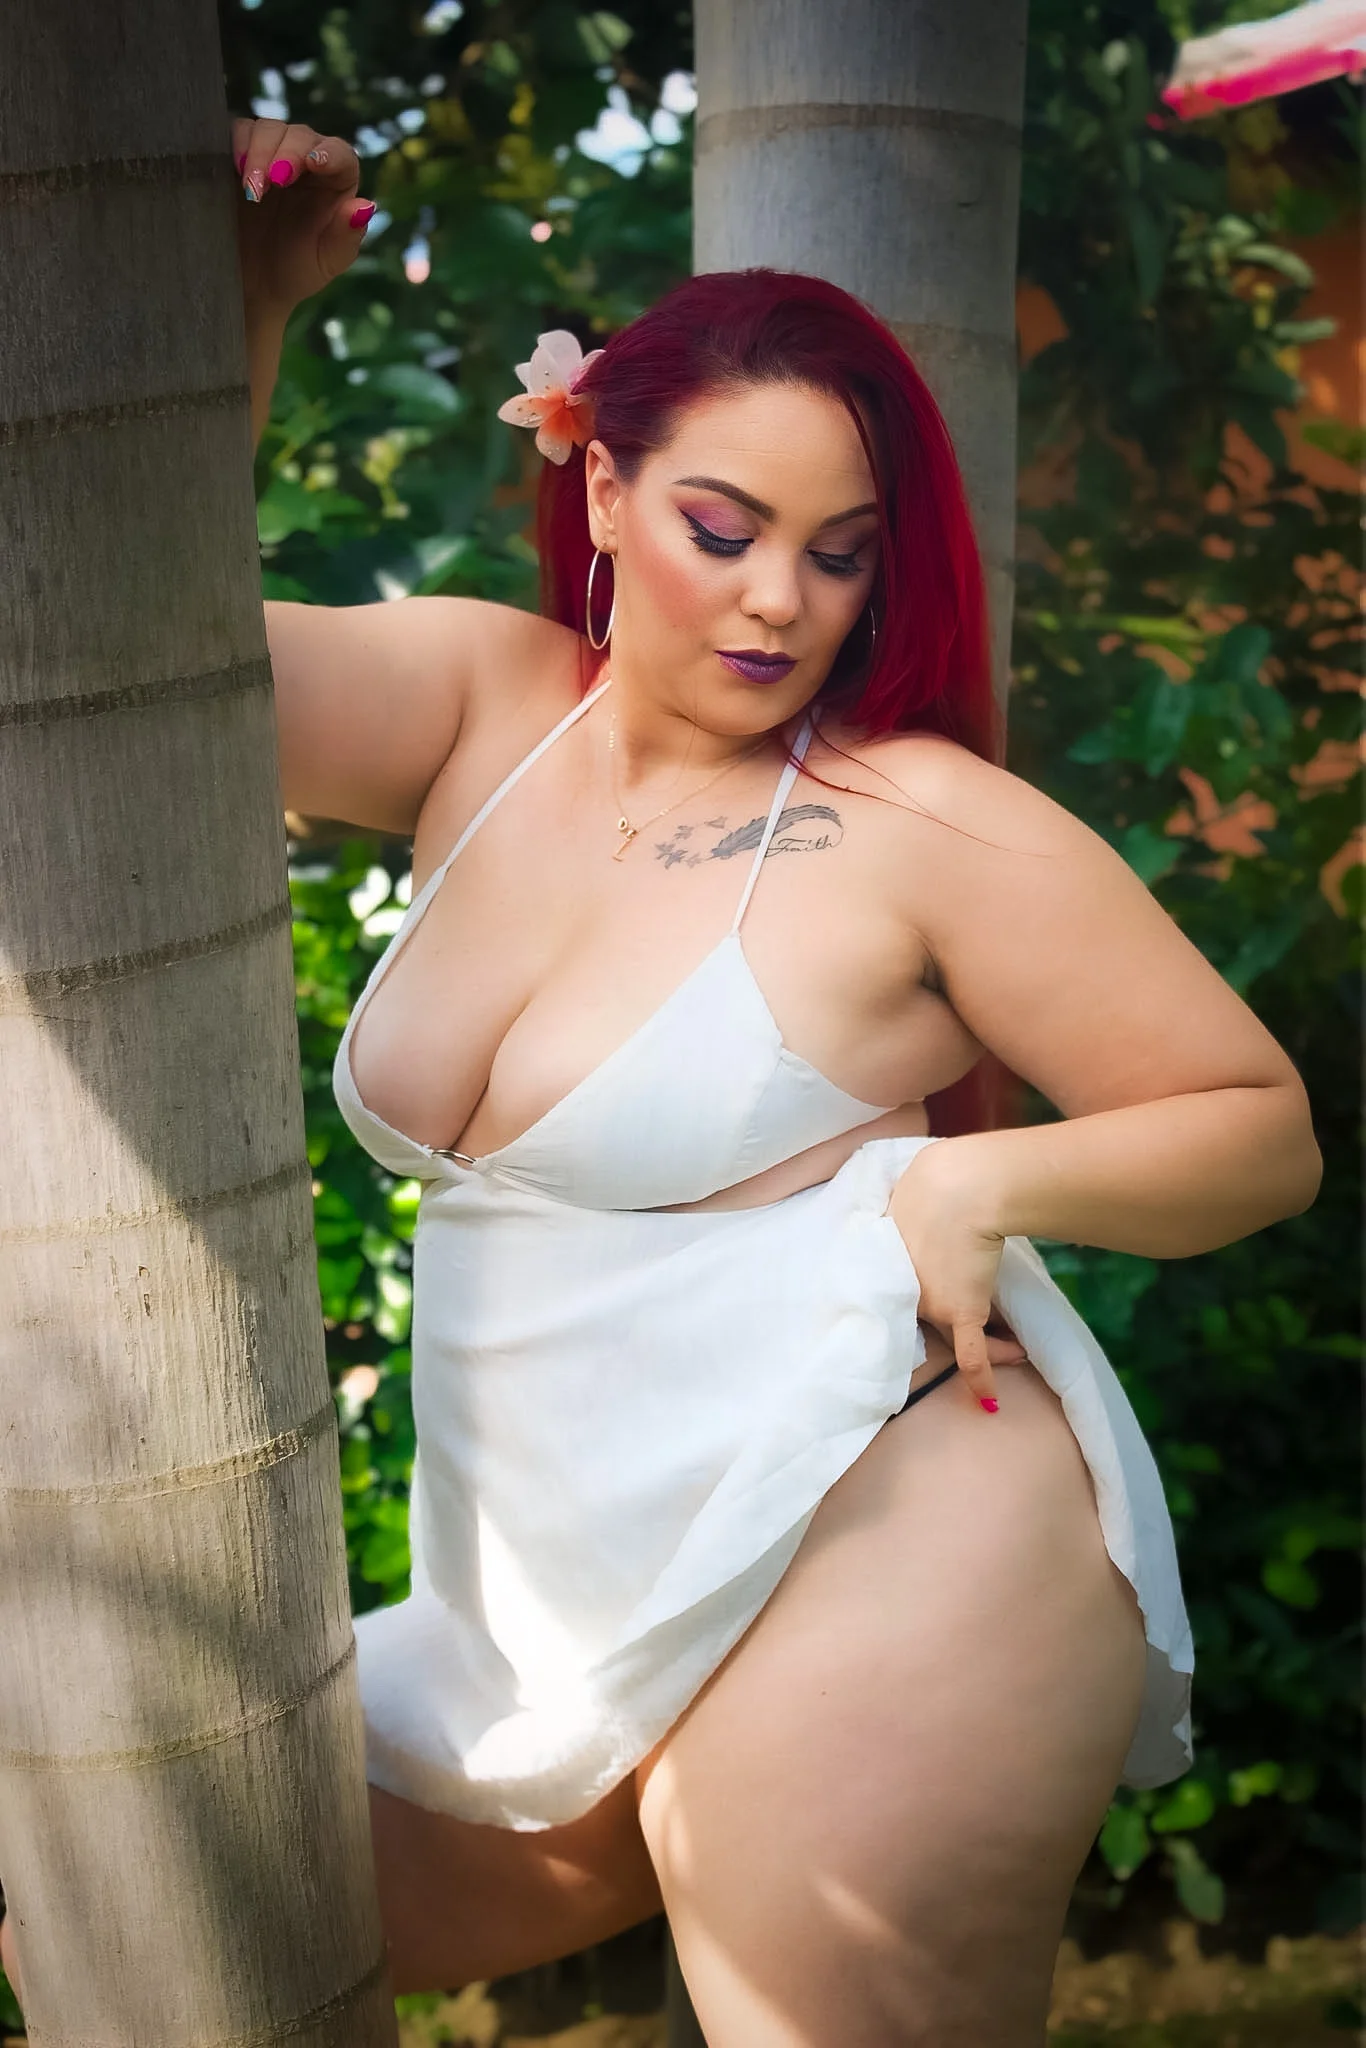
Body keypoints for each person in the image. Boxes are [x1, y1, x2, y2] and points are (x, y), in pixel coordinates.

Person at [4, 118, 1320, 2047]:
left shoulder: (918, 822)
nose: (780, 600)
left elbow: (1256, 1129)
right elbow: (131, 657)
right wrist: (244, 311)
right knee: (82, 1882)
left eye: (837, 555)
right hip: (541, 1604)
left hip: (886, 1514)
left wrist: (972, 1184)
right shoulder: (483, 709)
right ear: (603, 486)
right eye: (725, 529)